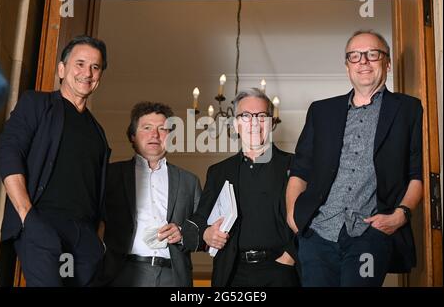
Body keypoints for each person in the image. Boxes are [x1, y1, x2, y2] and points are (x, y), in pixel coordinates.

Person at [286, 30, 423, 287]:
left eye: (372, 54)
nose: (363, 61)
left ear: (387, 62)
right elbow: (300, 170)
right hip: (318, 235)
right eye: (355, 56)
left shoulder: (408, 110)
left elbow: (417, 174)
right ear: (347, 65)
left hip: (370, 235)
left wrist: (401, 215)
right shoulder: (321, 111)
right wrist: (293, 216)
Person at [0, 35, 110, 287]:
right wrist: (28, 216)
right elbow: (9, 152)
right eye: (79, 63)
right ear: (62, 69)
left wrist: (97, 237)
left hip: (85, 239)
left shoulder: (98, 132)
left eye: (95, 67)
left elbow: (98, 189)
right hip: (43, 224)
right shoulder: (36, 103)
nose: (87, 73)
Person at [190, 88, 300, 287]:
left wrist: (289, 257)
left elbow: (311, 217)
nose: (254, 123)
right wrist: (206, 233)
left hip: (282, 271)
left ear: (272, 122)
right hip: (232, 274)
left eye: (261, 116)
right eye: (246, 116)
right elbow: (200, 219)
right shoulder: (218, 172)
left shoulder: (294, 165)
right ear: (236, 125)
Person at [96, 102, 202, 287]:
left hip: (174, 277)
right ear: (132, 136)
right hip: (122, 274)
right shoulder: (110, 175)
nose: (155, 135)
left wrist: (183, 233)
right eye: (147, 128)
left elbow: (203, 232)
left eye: (163, 129)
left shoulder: (190, 181)